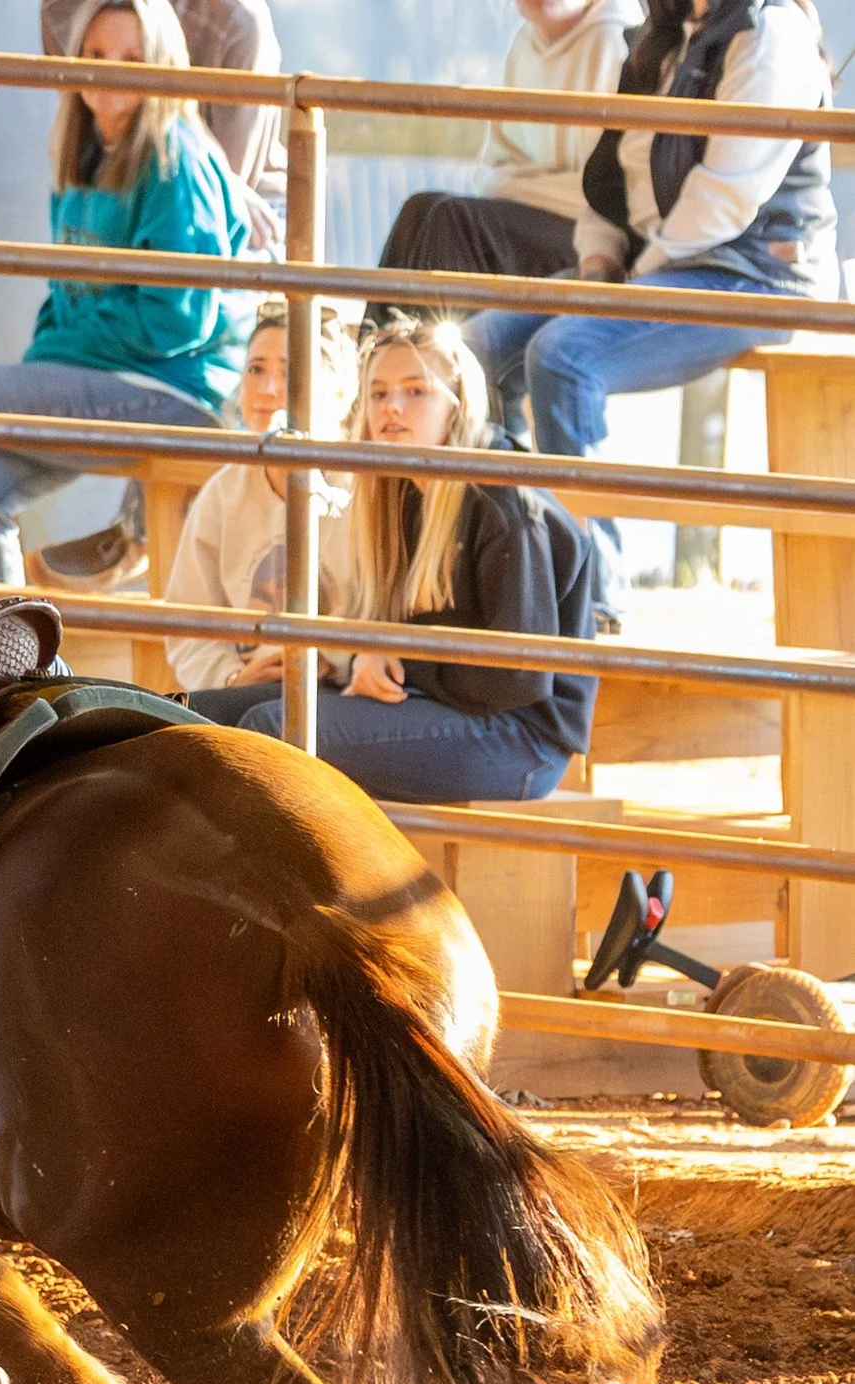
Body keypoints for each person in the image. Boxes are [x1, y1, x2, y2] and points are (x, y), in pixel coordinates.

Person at [464, 0, 838, 617]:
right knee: (478, 348)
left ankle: (596, 593)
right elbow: (609, 177)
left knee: (564, 358)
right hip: (661, 260)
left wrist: (633, 279)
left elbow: (726, 197)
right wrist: (598, 261)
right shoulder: (661, 34)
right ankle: (522, 564)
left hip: (757, 272)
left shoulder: (770, 30)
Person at [190, 319, 598, 803]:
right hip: (438, 703)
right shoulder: (401, 491)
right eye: (379, 394)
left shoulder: (502, 500)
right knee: (197, 714)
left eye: (415, 391)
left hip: (521, 739)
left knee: (275, 728)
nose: (392, 408)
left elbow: (519, 678)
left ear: (457, 404)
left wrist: (400, 657)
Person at [0, 0, 250, 589]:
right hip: (100, 374)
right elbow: (64, 292)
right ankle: (4, 663)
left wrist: (39, 378)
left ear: (162, 66)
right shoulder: (81, 153)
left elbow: (180, 318)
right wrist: (35, 382)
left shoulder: (173, 157)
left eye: (133, 59)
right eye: (97, 54)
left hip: (174, 390)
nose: (110, 72)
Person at [375, 0, 643, 306]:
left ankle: (420, 348)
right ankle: (377, 346)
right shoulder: (525, 43)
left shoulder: (617, 39)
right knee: (420, 208)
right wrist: (520, 184)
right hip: (542, 215)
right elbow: (494, 167)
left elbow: (603, 196)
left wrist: (516, 184)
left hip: (598, 241)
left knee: (453, 221)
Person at [163, 300, 360, 692]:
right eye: (256, 369)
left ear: (340, 393)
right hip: (249, 687)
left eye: (291, 373)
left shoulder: (364, 489)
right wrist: (232, 678)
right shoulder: (223, 492)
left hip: (344, 690)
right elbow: (189, 627)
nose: (268, 389)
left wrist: (324, 660)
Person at [40, 0, 287, 247]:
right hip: (118, 171)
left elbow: (220, 196)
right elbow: (92, 117)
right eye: (95, 54)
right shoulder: (61, 10)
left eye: (132, 60)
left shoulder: (239, 21)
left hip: (242, 199)